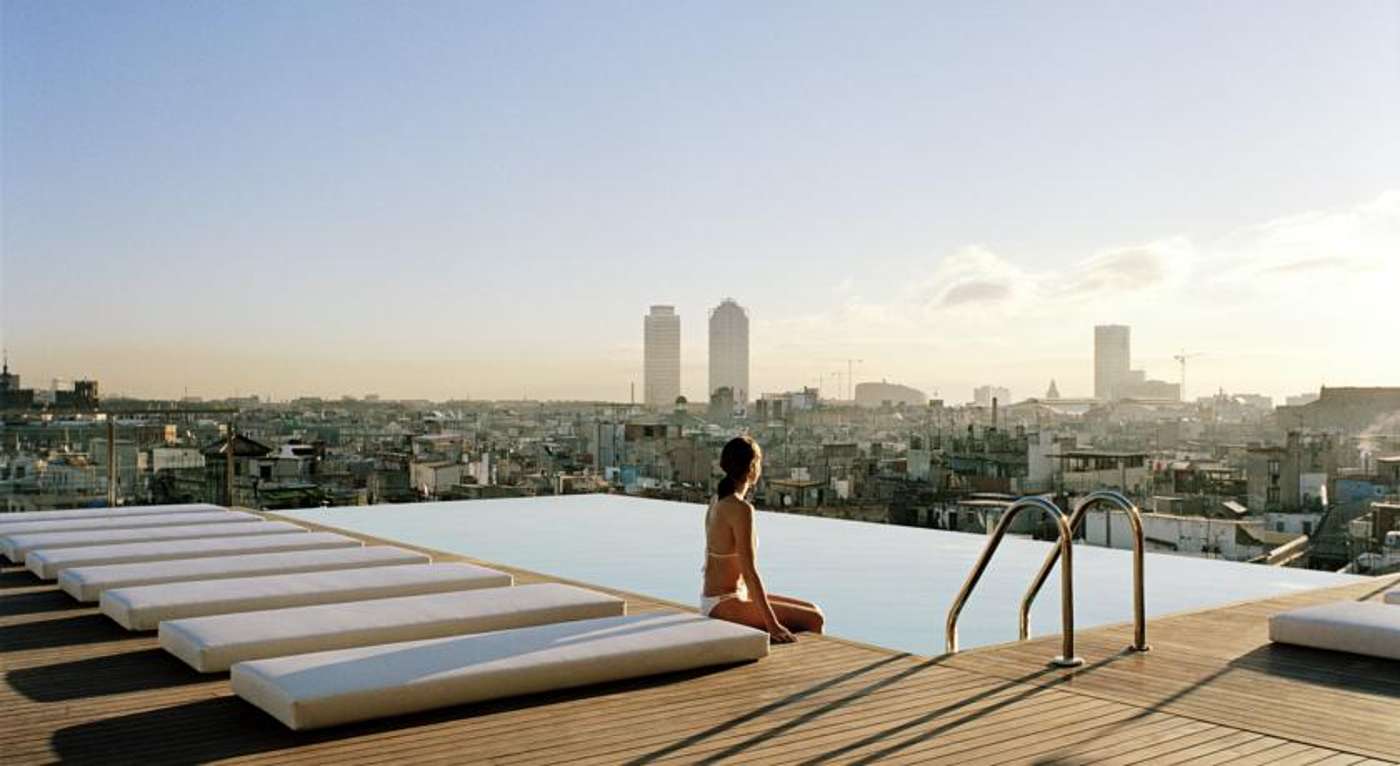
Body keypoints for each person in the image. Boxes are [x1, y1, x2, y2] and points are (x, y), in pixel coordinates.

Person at [701, 435, 825, 643]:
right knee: (814, 620)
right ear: (752, 468)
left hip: (728, 596)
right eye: (759, 462)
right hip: (723, 603)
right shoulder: (740, 509)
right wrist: (772, 625)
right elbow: (749, 572)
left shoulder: (717, 500)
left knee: (813, 610)